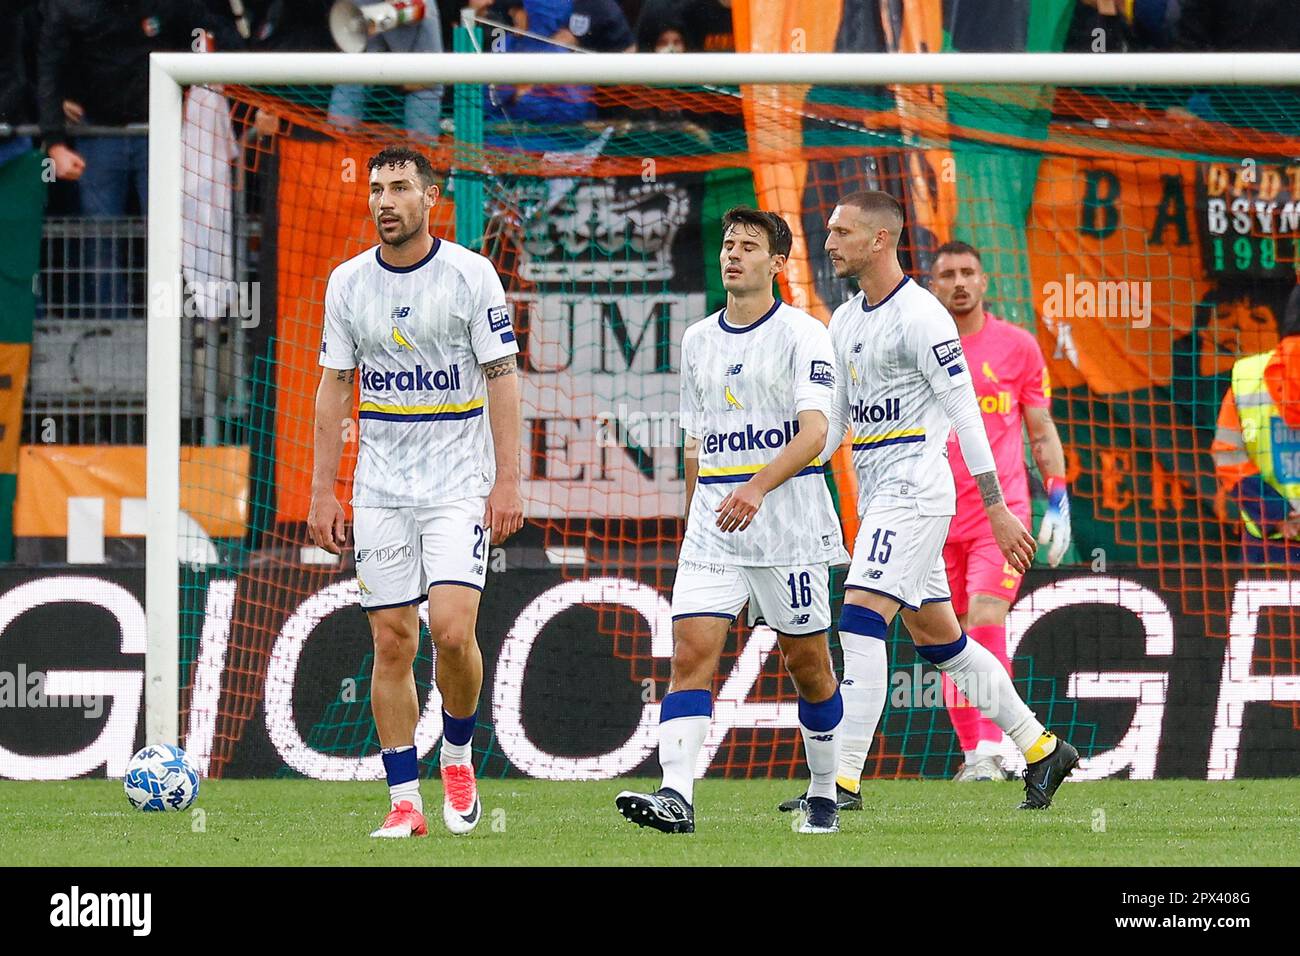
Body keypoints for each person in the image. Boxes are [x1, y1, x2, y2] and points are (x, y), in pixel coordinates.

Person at [779, 191, 1079, 813]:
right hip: (881, 493)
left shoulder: (922, 316)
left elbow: (967, 415)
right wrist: (782, 468)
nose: (828, 242)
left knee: (859, 620)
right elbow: (836, 426)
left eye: (840, 232)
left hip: (915, 492)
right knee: (945, 643)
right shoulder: (845, 320)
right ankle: (1042, 748)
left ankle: (840, 784)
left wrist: (997, 506)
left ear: (879, 240)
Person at [309, 146, 524, 838]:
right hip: (379, 486)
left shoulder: (470, 275)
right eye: (376, 188)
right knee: (393, 640)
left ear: (430, 197)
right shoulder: (347, 283)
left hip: (458, 481)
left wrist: (508, 480)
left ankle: (457, 751)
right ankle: (405, 802)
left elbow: (502, 378)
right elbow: (334, 387)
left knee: (454, 632)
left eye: (400, 187)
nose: (385, 200)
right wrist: (323, 489)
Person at [615, 207, 849, 835]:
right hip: (715, 526)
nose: (733, 254)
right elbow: (694, 444)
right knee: (690, 656)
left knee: (810, 667)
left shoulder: (805, 334)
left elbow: (816, 434)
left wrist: (755, 487)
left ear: (777, 264)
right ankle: (676, 796)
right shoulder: (697, 339)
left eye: (749, 246)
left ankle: (825, 793)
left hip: (788, 521)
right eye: (728, 244)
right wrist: (698, 515)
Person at [927, 240, 1071, 782]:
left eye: (968, 272)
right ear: (932, 284)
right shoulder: (919, 346)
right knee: (950, 635)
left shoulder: (1018, 347)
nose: (959, 282)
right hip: (935, 516)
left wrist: (1057, 496)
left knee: (985, 619)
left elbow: (1040, 430)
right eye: (947, 274)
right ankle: (977, 756)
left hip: (1001, 517)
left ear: (984, 281)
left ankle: (1001, 746)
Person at [1211, 285, 1300, 565]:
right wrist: (1278, 516)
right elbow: (1228, 455)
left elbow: (1228, 456)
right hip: (1271, 547)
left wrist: (1279, 515)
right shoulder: (1248, 379)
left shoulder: (1248, 377)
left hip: (1270, 546)